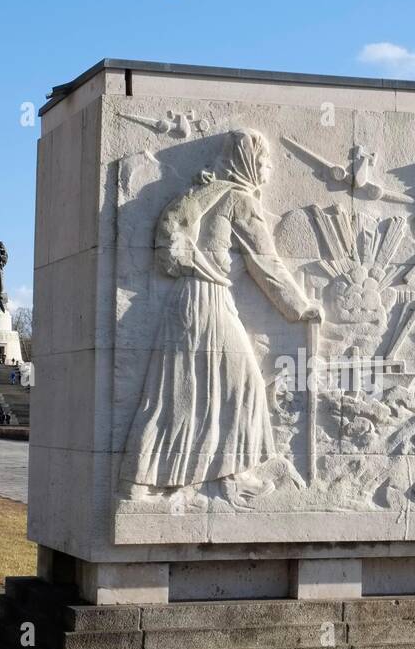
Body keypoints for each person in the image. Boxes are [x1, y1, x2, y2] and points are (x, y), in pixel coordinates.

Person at [121, 128, 321, 505]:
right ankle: (225, 473)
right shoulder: (238, 200)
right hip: (210, 299)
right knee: (242, 384)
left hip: (184, 300)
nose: (268, 169)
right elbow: (266, 263)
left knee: (178, 391)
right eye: (263, 162)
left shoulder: (206, 192)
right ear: (247, 162)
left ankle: (152, 480)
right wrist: (299, 307)